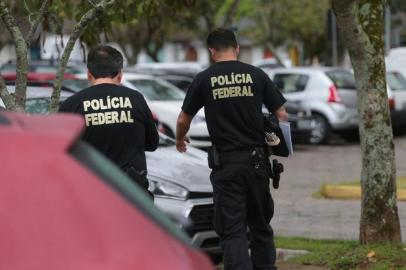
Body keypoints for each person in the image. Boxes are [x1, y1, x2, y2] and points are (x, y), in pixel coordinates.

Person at [176, 28, 288, 270]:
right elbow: (281, 113)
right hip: (257, 162)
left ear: (211, 51)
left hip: (226, 164)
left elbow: (184, 119)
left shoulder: (204, 79)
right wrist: (276, 141)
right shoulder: (256, 75)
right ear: (237, 48)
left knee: (232, 229)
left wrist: (179, 139)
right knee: (260, 225)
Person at [60, 45, 159, 195]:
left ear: (89, 74)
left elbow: (63, 152)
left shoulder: (71, 104)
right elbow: (152, 143)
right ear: (120, 74)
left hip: (90, 192)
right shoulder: (135, 99)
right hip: (133, 194)